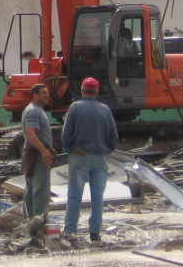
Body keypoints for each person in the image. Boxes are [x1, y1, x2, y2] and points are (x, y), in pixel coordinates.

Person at [61, 77, 118, 243]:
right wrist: (105, 150)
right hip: (100, 158)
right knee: (97, 197)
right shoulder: (105, 110)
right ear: (97, 91)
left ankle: (70, 231)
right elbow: (113, 138)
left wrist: (70, 148)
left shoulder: (75, 108)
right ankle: (95, 233)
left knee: (75, 195)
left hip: (80, 157)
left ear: (82, 90)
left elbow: (66, 135)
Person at [21, 83, 55, 220]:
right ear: (34, 95)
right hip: (37, 156)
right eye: (43, 93)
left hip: (33, 155)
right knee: (40, 190)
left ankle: (29, 221)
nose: (46, 95)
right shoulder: (34, 111)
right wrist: (44, 151)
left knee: (30, 190)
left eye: (47, 92)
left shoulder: (36, 110)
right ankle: (39, 223)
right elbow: (30, 132)